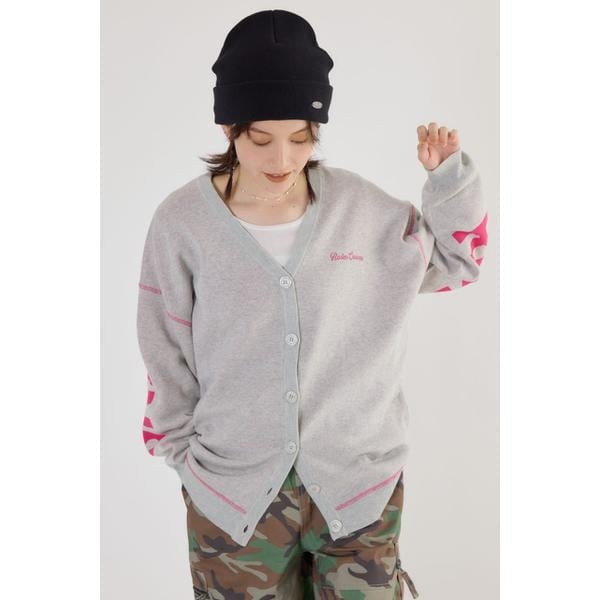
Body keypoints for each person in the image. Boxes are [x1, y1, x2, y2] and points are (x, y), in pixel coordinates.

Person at [136, 9, 488, 599]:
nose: (281, 160)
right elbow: (163, 347)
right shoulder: (182, 223)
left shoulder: (362, 212)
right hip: (231, 497)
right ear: (228, 128)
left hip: (358, 491)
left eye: (301, 138)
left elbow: (458, 262)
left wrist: (448, 182)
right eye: (261, 139)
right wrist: (186, 460)